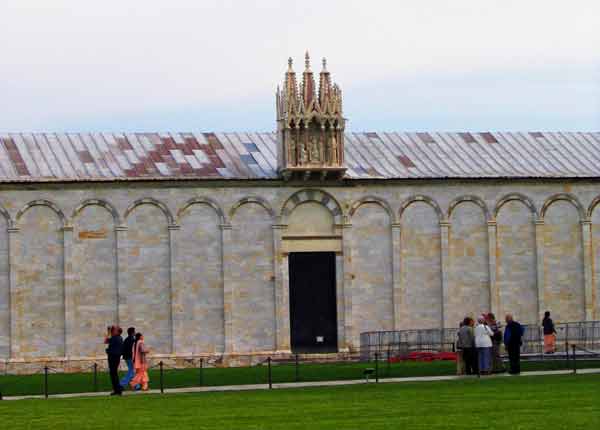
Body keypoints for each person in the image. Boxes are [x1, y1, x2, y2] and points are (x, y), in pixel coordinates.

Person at [104, 325, 124, 396]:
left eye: (114, 330)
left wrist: (109, 332)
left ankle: (118, 389)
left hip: (113, 357)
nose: (113, 331)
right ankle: (117, 389)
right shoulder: (119, 338)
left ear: (117, 332)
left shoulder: (115, 338)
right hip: (115, 357)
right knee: (114, 373)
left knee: (113, 373)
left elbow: (105, 341)